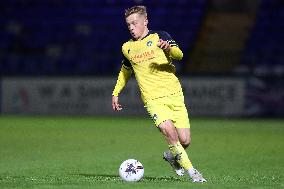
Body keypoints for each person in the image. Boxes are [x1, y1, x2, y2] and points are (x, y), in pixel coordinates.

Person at [111, 5, 206, 183]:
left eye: (135, 23)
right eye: (128, 24)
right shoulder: (127, 48)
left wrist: (168, 49)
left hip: (174, 94)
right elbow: (125, 71)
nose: (131, 27)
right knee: (169, 132)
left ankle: (172, 157)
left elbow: (180, 55)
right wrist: (116, 92)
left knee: (184, 141)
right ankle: (193, 173)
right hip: (152, 99)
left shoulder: (160, 36)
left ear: (145, 21)